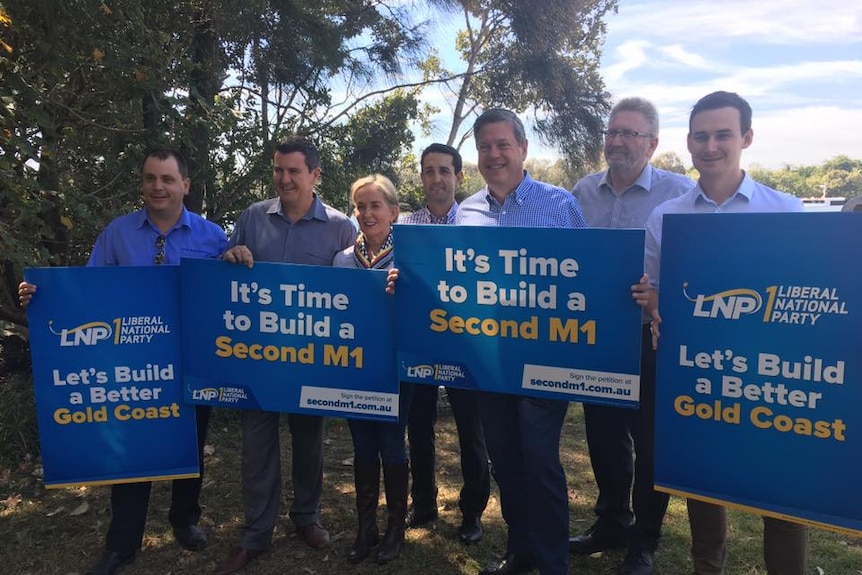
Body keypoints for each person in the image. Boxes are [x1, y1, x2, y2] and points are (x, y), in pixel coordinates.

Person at [19, 148, 228, 575]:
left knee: (189, 444)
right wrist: (42, 298)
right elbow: (86, 293)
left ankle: (185, 520)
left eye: (167, 179)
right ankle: (123, 542)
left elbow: (227, 297)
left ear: (185, 185)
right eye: (151, 178)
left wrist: (239, 261)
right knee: (134, 451)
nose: (158, 187)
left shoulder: (213, 238)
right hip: (133, 368)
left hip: (190, 362)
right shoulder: (117, 235)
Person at [635, 91, 809, 575]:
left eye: (722, 134)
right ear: (688, 142)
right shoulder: (665, 216)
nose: (710, 145)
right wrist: (652, 304)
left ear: (746, 138)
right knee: (703, 488)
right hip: (698, 377)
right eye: (700, 135)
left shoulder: (787, 213)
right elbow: (655, 294)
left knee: (782, 498)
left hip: (772, 378)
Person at [213, 137, 356, 575]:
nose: (285, 179)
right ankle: (255, 535)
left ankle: (306, 518)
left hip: (313, 358)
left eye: (294, 171)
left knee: (309, 441)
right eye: (278, 170)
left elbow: (354, 295)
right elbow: (227, 275)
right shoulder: (252, 218)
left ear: (315, 175)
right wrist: (230, 255)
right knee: (257, 446)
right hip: (257, 356)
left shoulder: (340, 227)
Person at [458, 109, 587, 575]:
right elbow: (455, 280)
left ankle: (554, 563)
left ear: (522, 148)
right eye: (485, 147)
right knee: (507, 463)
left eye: (502, 144)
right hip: (489, 362)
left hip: (544, 360)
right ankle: (521, 551)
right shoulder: (464, 211)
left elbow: (584, 279)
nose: (494, 155)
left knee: (540, 462)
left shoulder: (560, 204)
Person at [569, 97, 693, 575]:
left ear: (652, 143)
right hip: (598, 338)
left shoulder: (677, 193)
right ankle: (611, 522)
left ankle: (644, 539)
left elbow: (693, 270)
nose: (617, 141)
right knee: (602, 437)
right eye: (612, 132)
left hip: (651, 339)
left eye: (630, 134)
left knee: (650, 442)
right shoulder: (582, 191)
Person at [402, 143, 490, 544]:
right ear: (421, 176)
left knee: (472, 433)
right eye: (429, 170)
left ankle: (472, 512)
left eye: (444, 171)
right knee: (418, 429)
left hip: (467, 347)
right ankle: (423, 504)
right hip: (419, 345)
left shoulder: (478, 224)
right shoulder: (404, 226)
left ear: (458, 176)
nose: (436, 178)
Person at [333, 174, 413, 565]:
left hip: (395, 369)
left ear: (393, 212)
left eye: (375, 206)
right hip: (354, 368)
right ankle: (366, 530)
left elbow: (429, 315)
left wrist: (410, 291)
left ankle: (396, 528)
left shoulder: (410, 259)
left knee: (392, 445)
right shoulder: (343, 259)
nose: (366, 213)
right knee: (363, 447)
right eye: (360, 206)